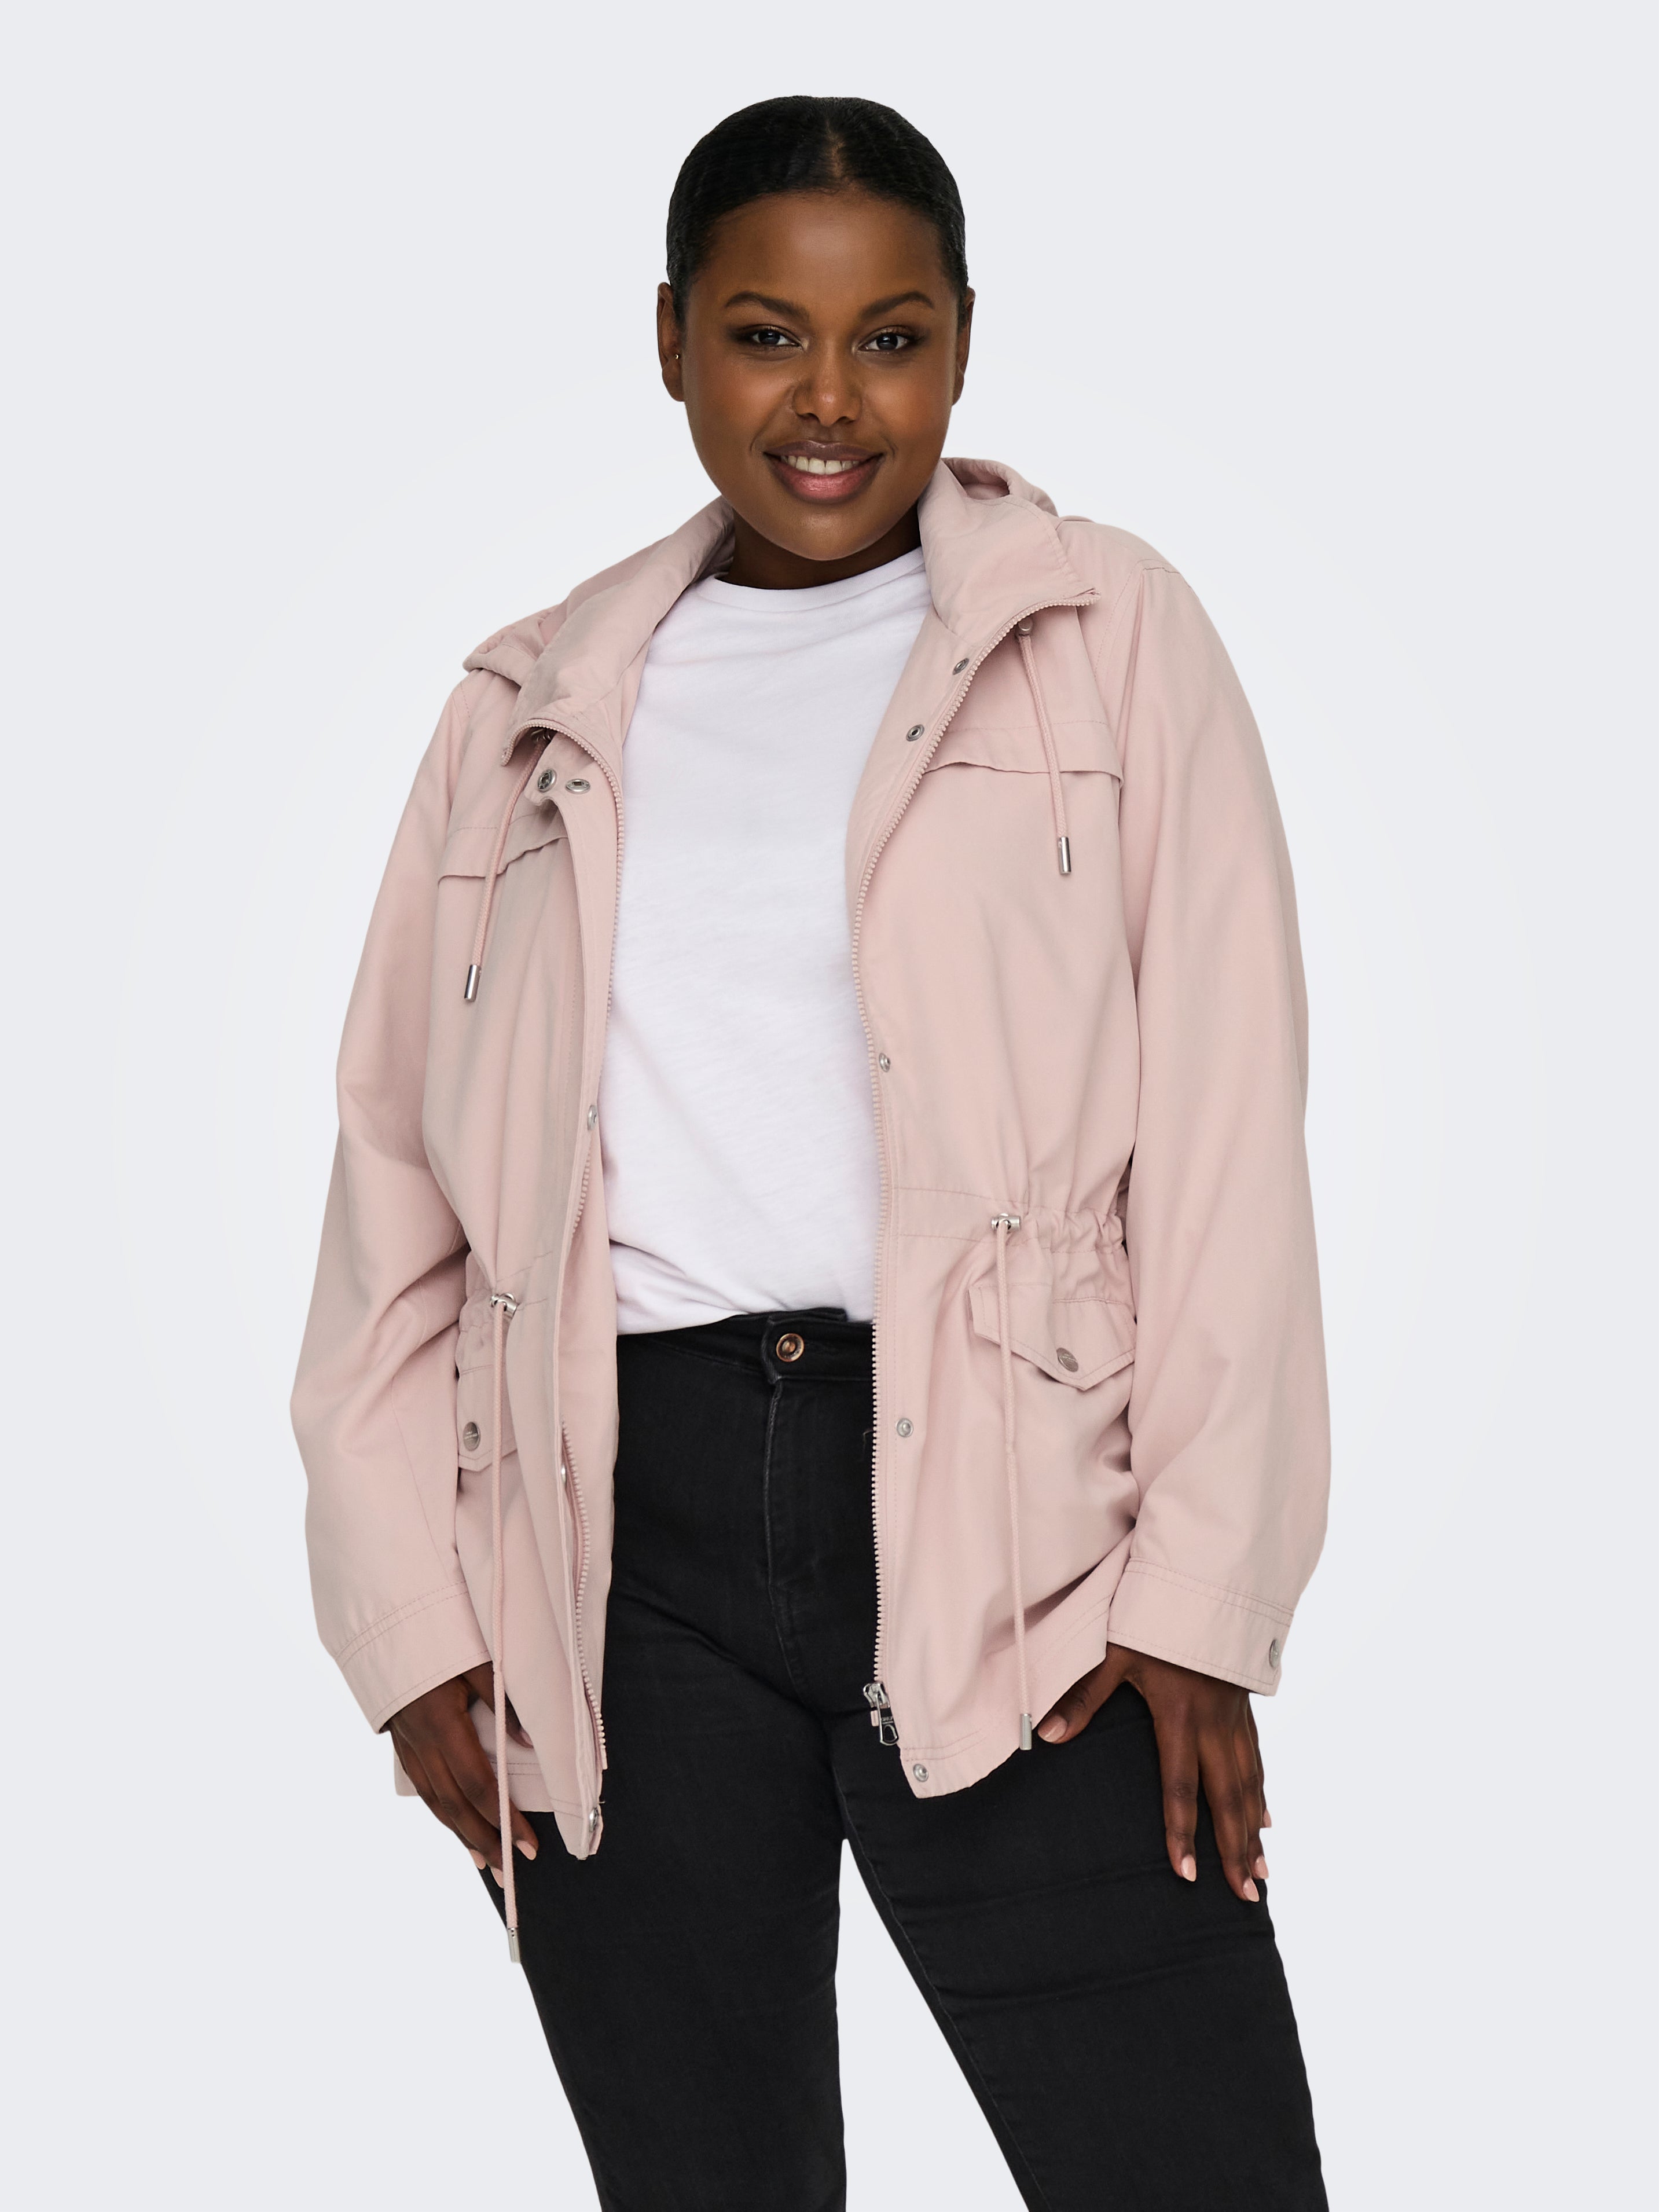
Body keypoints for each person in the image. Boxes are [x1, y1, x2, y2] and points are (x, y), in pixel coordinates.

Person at [292, 93, 1331, 2212]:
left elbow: (1230, 1128)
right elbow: (397, 1180)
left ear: (962, 346)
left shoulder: (1108, 636)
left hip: (1023, 1533)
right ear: (672, 339)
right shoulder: (526, 704)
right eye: (767, 335)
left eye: (892, 339)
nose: (831, 401)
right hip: (616, 1548)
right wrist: (409, 1619)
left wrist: (1206, 1595)